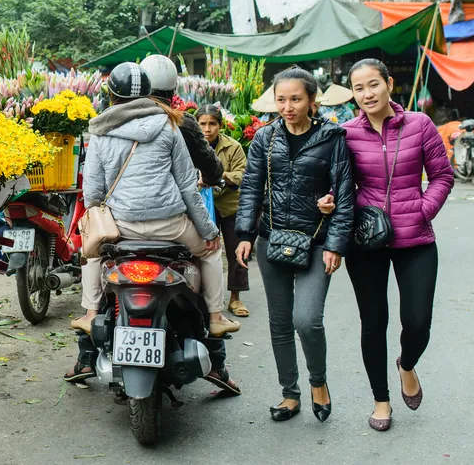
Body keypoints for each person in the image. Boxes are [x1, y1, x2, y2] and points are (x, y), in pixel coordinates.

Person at [67, 62, 240, 393]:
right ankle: (217, 318)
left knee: (92, 255)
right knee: (210, 254)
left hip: (122, 228)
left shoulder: (100, 131)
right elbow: (189, 188)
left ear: (111, 94)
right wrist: (209, 232)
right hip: (170, 226)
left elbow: (92, 194)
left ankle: (90, 315)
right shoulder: (170, 124)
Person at [329, 59, 454, 432]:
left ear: (388, 84)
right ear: (352, 93)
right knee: (374, 321)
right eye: (358, 88)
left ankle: (407, 363)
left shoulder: (420, 124)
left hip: (415, 237)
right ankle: (381, 400)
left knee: (417, 321)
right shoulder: (346, 133)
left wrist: (423, 209)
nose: (367, 94)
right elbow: (339, 185)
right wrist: (330, 200)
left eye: (373, 85)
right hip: (366, 240)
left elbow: (442, 175)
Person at [234, 67, 354, 423]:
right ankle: (290, 394)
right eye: (281, 99)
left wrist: (335, 244)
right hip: (272, 240)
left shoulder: (333, 138)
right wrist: (244, 235)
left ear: (311, 101)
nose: (287, 106)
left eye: (296, 99)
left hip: (316, 243)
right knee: (280, 322)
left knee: (307, 320)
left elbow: (344, 195)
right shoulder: (264, 139)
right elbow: (251, 189)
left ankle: (319, 382)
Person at [195, 105, 249, 317]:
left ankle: (235, 298)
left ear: (220, 125)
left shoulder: (233, 147)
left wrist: (219, 175)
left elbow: (243, 174)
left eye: (212, 124)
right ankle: (200, 297)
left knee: (237, 251)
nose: (207, 129)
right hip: (199, 206)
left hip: (229, 206)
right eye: (203, 124)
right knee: (201, 250)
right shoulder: (189, 146)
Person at [141, 55, 224, 185]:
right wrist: (208, 179)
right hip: (170, 201)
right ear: (174, 90)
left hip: (121, 202)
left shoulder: (116, 121)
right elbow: (213, 169)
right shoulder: (183, 123)